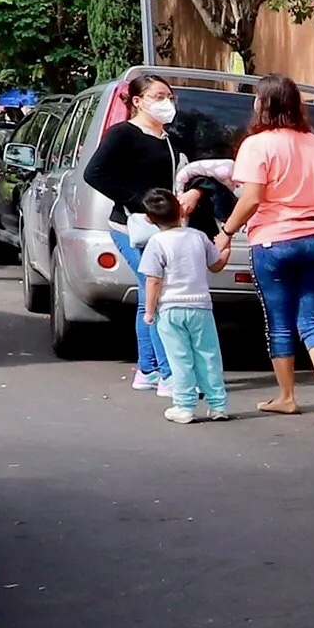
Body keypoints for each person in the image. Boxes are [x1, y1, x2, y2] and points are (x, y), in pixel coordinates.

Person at [214, 74, 314, 418]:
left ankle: (287, 397)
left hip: (273, 241)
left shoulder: (257, 145)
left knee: (280, 322)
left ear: (264, 104)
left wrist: (226, 231)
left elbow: (252, 198)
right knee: (313, 319)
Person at [84, 73, 193, 395]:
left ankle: (148, 369)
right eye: (158, 97)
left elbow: (190, 173)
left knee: (151, 297)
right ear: (137, 101)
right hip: (132, 227)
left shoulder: (170, 139)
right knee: (156, 293)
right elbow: (95, 173)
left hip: (165, 230)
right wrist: (138, 202)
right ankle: (168, 375)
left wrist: (191, 196)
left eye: (170, 97)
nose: (167, 103)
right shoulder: (123, 135)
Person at [139, 188, 231, 424]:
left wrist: (149, 311)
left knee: (179, 358)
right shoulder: (198, 237)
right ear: (181, 210)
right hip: (201, 306)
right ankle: (218, 405)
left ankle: (184, 406)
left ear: (149, 219)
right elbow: (216, 265)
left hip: (169, 309)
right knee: (209, 355)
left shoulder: (156, 243)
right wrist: (226, 248)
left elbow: (153, 280)